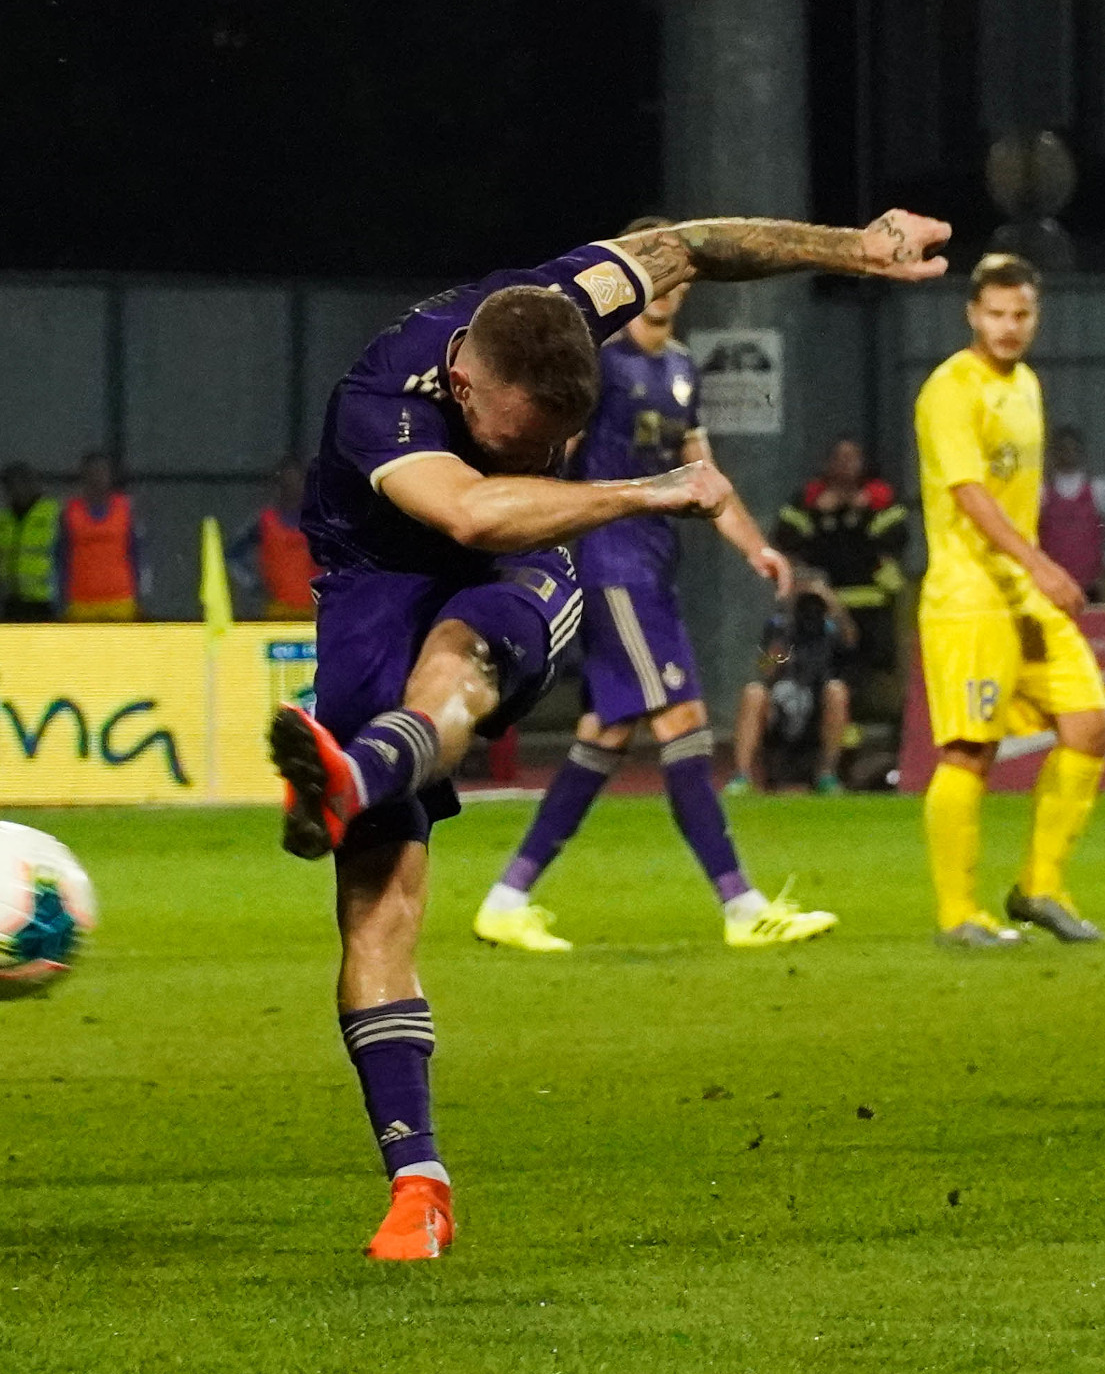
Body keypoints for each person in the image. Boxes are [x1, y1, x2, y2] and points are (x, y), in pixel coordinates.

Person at [267, 207, 950, 1259]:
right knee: (378, 905)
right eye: (521, 435)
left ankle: (355, 777)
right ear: (463, 387)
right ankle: (419, 1185)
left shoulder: (572, 296)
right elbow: (472, 513)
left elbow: (694, 242)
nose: (541, 449)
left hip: (518, 568)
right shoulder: (383, 402)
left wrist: (850, 249)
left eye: (551, 438)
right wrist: (644, 492)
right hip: (383, 576)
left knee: (467, 656)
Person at [474, 230, 836, 954]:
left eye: (678, 280)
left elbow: (703, 477)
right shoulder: (598, 366)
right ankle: (741, 905)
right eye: (654, 278)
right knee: (683, 721)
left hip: (652, 569)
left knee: (605, 735)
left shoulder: (680, 369)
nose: (668, 292)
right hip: (612, 567)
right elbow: (553, 460)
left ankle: (507, 898)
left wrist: (755, 546)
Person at [915, 252, 1105, 949]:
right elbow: (969, 495)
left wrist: (1032, 574)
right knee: (970, 750)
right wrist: (1042, 565)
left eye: (1021, 314)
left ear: (1036, 316)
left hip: (1021, 593)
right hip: (968, 594)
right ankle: (957, 914)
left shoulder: (1025, 384)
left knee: (1088, 725)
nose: (1008, 326)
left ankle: (1039, 887)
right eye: (996, 313)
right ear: (972, 314)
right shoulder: (949, 388)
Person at [773, 435, 910, 686]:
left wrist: (860, 516)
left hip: (873, 607)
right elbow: (787, 542)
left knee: (871, 674)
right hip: (816, 607)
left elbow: (892, 545)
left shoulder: (882, 502)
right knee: (816, 671)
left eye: (852, 457)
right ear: (827, 462)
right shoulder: (808, 501)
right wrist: (821, 515)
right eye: (839, 458)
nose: (846, 464)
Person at [733, 566, 854, 793]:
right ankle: (742, 775)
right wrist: (777, 653)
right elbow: (764, 669)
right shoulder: (779, 625)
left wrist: (832, 604)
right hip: (781, 695)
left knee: (837, 691)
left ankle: (827, 774)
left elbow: (850, 641)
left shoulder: (830, 628)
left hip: (817, 697)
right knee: (753, 692)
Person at [1039, 426, 1105, 600]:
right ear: (1054, 453)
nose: (1068, 453)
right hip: (1051, 581)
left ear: (1082, 452)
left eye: (1073, 448)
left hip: (1090, 581)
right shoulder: (1041, 491)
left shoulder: (1099, 488)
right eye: (1063, 449)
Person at [57, 450, 145, 620]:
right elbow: (61, 556)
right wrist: (61, 597)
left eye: (102, 471)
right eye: (91, 472)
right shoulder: (70, 510)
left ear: (111, 476)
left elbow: (137, 554)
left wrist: (140, 596)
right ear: (83, 476)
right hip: (81, 600)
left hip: (120, 598)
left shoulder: (126, 508)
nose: (97, 477)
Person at [230, 457, 318, 619]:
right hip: (277, 611)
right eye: (286, 483)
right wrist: (254, 584)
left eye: (297, 482)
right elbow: (232, 555)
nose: (292, 488)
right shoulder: (264, 522)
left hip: (313, 610)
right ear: (278, 486)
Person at [0, 464, 59, 620]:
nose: (17, 489)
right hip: (10, 598)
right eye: (10, 485)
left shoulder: (53, 513)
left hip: (45, 599)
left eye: (22, 483)